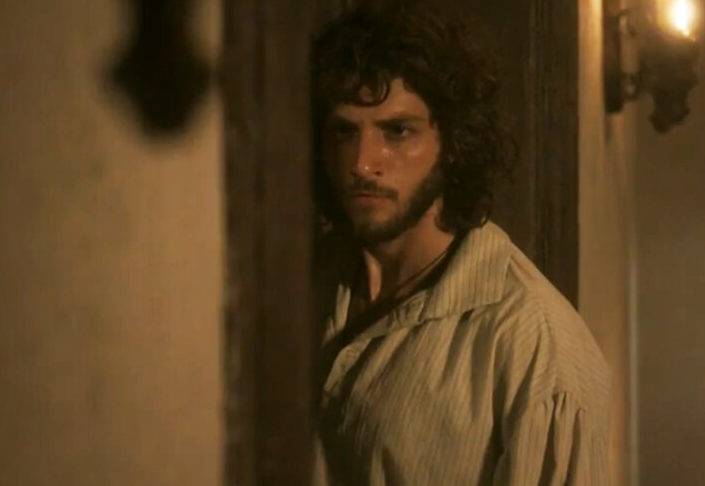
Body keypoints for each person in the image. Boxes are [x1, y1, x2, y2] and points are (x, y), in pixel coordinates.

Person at [311, 4, 611, 485]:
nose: (363, 163)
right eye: (345, 131)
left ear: (452, 142)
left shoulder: (535, 348)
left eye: (397, 131)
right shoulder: (307, 282)